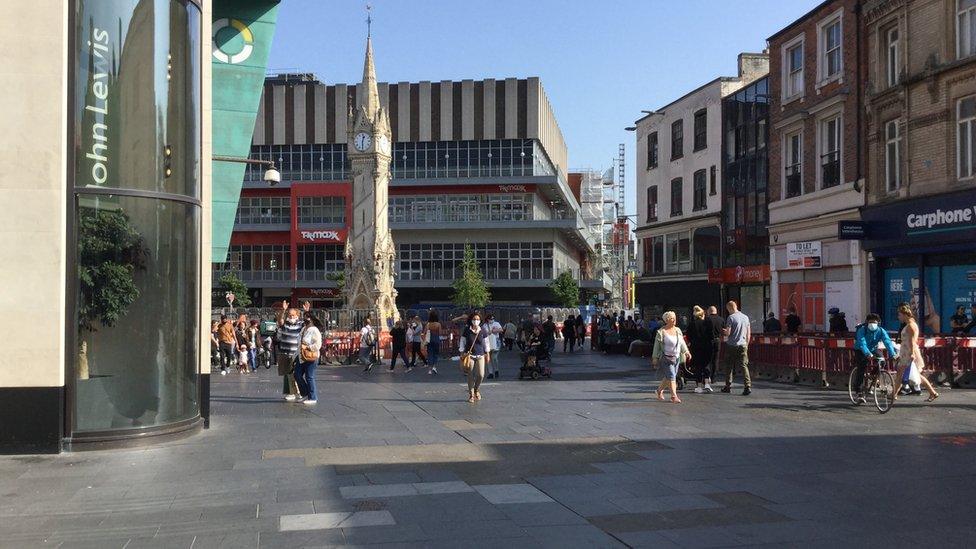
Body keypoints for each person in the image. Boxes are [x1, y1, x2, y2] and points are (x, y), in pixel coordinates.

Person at [891, 304, 939, 403]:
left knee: (901, 373)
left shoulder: (911, 326)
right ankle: (933, 393)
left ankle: (894, 394)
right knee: (914, 374)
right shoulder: (910, 324)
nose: (898, 317)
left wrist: (912, 354)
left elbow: (912, 341)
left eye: (899, 315)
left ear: (905, 315)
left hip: (909, 352)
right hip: (906, 351)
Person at [851, 313, 898, 404]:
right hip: (860, 350)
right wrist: (867, 353)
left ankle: (873, 375)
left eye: (874, 322)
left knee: (882, 361)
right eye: (870, 322)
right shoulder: (862, 330)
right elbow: (862, 342)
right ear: (867, 322)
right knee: (862, 367)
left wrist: (893, 354)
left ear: (878, 323)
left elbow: (887, 342)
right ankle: (858, 392)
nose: (872, 324)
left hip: (873, 349)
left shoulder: (881, 331)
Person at [652, 311, 692, 404]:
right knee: (672, 376)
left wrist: (686, 351)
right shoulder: (661, 332)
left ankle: (659, 391)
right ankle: (674, 396)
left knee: (668, 377)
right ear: (666, 320)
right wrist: (655, 358)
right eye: (671, 318)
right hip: (666, 358)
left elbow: (682, 342)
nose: (674, 320)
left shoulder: (678, 330)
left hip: (677, 357)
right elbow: (656, 346)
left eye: (674, 318)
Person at [721, 301, 752, 395]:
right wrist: (746, 343)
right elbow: (748, 333)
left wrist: (724, 331)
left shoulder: (731, 317)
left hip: (732, 345)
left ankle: (728, 385)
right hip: (743, 344)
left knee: (729, 365)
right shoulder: (745, 317)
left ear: (729, 308)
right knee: (744, 365)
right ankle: (747, 385)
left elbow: (728, 333)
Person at [459, 312, 490, 403]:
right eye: (474, 319)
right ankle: (471, 394)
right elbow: (462, 341)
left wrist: (487, 353)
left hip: (480, 355)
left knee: (481, 375)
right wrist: (462, 352)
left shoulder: (482, 330)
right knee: (470, 374)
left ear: (480, 320)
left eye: (477, 319)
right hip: (470, 355)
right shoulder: (467, 330)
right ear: (471, 320)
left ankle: (476, 389)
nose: (476, 321)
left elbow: (486, 342)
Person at [276, 302, 304, 400]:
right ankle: (291, 393)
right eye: (290, 315)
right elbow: (280, 320)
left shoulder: (301, 325)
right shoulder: (285, 325)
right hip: (285, 352)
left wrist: (307, 311)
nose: (291, 317)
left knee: (297, 374)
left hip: (296, 354)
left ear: (297, 316)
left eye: (293, 315)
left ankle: (300, 392)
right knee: (287, 374)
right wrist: (283, 310)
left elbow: (310, 322)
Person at [294, 315, 322, 405]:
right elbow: (299, 344)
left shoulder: (315, 330)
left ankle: (313, 397)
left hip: (311, 356)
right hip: (301, 356)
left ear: (313, 321)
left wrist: (308, 347)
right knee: (297, 375)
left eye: (308, 319)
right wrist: (294, 356)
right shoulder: (303, 330)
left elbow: (318, 345)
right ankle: (305, 393)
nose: (306, 321)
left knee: (309, 377)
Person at [686, 306, 714, 393]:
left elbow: (688, 336)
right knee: (706, 365)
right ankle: (707, 384)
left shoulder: (692, 324)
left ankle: (698, 386)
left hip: (695, 347)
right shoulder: (708, 323)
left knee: (698, 366)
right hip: (707, 346)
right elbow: (712, 335)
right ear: (703, 314)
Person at [484, 313, 502, 379]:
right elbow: (483, 333)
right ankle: (490, 373)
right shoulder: (485, 325)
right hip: (488, 342)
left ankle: (496, 371)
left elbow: (501, 330)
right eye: (491, 319)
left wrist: (494, 330)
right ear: (487, 319)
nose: (492, 320)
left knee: (494, 358)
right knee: (488, 359)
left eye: (493, 318)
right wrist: (488, 332)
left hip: (496, 341)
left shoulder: (496, 323)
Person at [425, 310, 442, 375]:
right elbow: (440, 333)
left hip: (429, 340)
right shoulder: (438, 324)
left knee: (430, 354)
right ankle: (434, 366)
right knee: (436, 354)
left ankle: (429, 370)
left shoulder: (428, 324)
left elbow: (425, 332)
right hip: (436, 339)